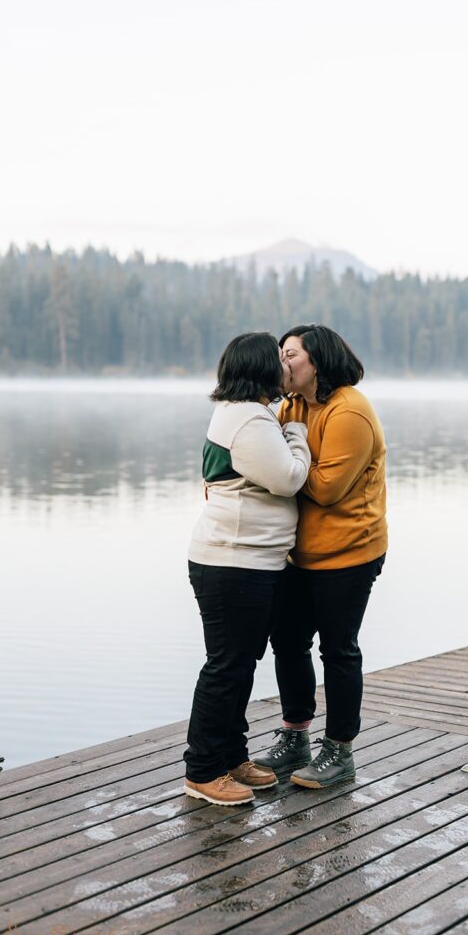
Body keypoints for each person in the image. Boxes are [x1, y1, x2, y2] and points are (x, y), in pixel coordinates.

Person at [254, 324, 387, 788]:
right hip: (300, 555)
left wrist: (286, 469)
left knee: (338, 650)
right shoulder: (291, 404)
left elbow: (327, 489)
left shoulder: (350, 411)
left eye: (291, 354)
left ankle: (340, 750)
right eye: (280, 354)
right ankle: (296, 737)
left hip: (349, 553)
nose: (282, 362)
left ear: (318, 362)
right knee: (288, 642)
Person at [184, 332, 311, 806]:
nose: (285, 366)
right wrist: (297, 435)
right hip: (232, 562)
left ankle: (231, 755)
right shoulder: (250, 419)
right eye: (278, 359)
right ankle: (201, 770)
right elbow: (289, 477)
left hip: (248, 561)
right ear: (260, 367)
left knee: (239, 665)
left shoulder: (246, 412)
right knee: (226, 667)